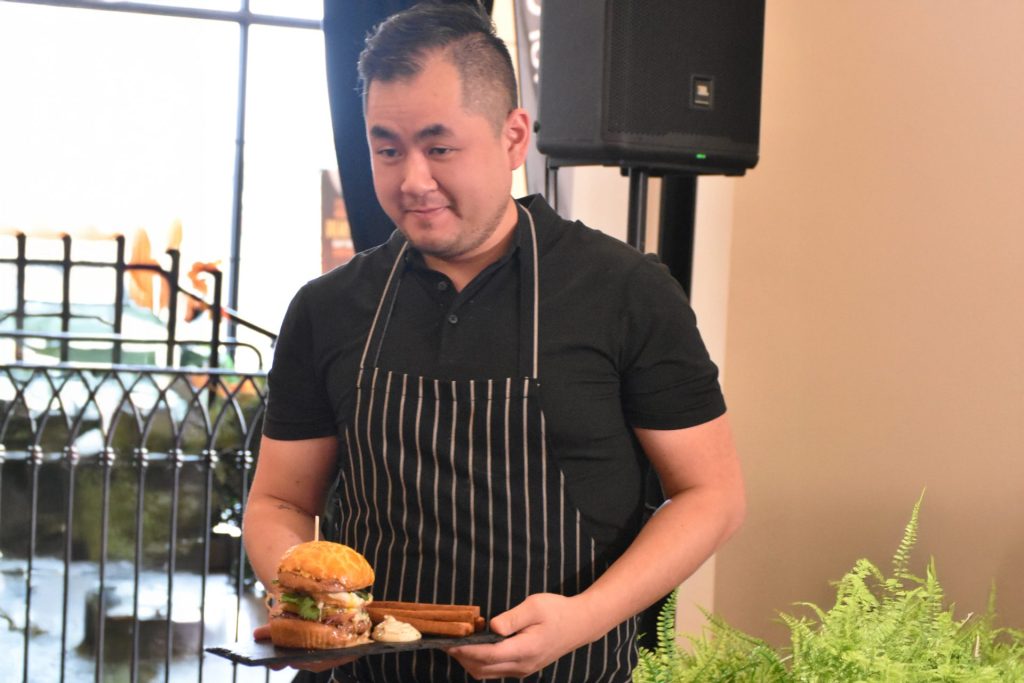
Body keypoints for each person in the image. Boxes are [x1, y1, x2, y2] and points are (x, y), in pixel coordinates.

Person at [242, 3, 745, 682]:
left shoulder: (625, 290)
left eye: (439, 147)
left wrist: (582, 615)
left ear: (514, 138)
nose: (411, 179)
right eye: (386, 147)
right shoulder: (327, 308)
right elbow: (277, 501)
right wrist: (305, 590)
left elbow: (711, 493)